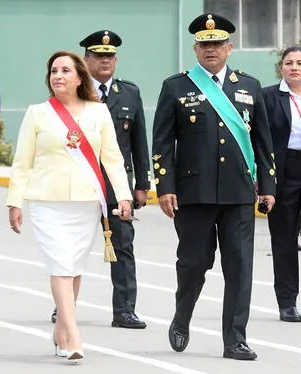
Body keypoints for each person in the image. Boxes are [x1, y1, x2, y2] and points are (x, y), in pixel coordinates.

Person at [152, 13, 276, 360]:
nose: (211, 49)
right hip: (194, 193)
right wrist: (164, 186)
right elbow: (162, 142)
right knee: (193, 263)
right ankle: (182, 315)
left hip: (238, 193)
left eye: (217, 44)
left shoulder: (249, 87)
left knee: (240, 267)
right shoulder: (176, 86)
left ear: (229, 48)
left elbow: (263, 142)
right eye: (205, 44)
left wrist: (268, 184)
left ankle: (234, 339)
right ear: (195, 48)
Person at [6, 50, 133, 364]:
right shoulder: (38, 113)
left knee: (73, 268)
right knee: (61, 265)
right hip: (46, 203)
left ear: (79, 77)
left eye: (64, 70)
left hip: (86, 202)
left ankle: (62, 330)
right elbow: (22, 162)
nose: (58, 76)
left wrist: (124, 195)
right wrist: (14, 201)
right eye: (53, 71)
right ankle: (74, 333)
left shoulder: (98, 112)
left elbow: (113, 159)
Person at [50, 30, 151, 329]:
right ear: (87, 60)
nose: (105, 60)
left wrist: (141, 185)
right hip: (77, 182)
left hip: (116, 186)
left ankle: (124, 310)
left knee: (123, 247)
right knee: (70, 248)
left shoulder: (129, 93)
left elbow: (138, 141)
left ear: (116, 60)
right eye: (99, 55)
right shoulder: (71, 92)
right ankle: (64, 308)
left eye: (110, 56)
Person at [263, 45, 301, 322]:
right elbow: (258, 139)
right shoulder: (269, 97)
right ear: (281, 68)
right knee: (285, 241)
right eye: (288, 63)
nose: (294, 67)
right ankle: (287, 302)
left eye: (299, 63)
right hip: (285, 174)